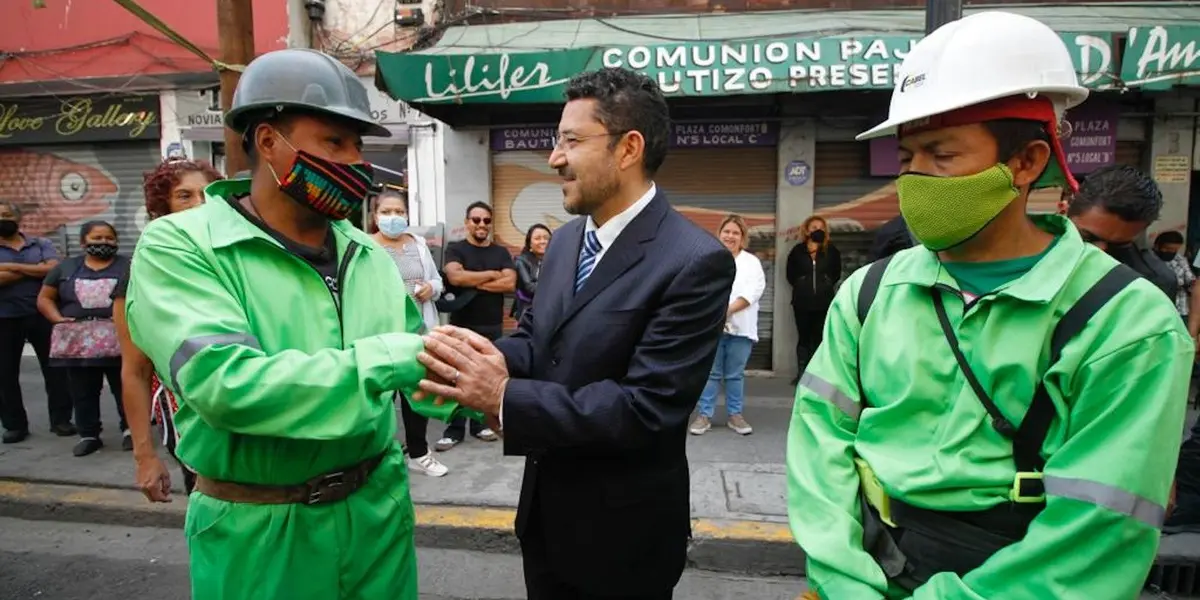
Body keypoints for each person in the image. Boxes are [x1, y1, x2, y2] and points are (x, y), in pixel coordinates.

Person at [788, 12, 1191, 600]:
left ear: (1026, 163)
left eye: (941, 155)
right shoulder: (870, 292)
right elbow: (818, 446)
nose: (916, 178)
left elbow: (1099, 527)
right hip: (869, 568)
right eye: (907, 159)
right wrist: (844, 580)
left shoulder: (1126, 323)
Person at [122, 48, 479, 599]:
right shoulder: (181, 245)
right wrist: (395, 358)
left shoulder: (365, 251)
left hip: (377, 513)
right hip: (260, 528)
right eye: (334, 142)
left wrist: (489, 387)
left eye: (358, 145)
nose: (355, 161)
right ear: (268, 142)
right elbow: (225, 384)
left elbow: (420, 365)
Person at [415, 67, 736, 600]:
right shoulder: (563, 243)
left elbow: (645, 407)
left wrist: (502, 397)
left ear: (628, 148)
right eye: (555, 140)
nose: (554, 158)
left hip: (625, 541)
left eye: (571, 140)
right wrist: (463, 359)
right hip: (544, 520)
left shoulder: (694, 260)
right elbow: (539, 339)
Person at [115, 158, 223, 500]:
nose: (198, 205)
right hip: (189, 421)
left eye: (207, 195)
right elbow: (135, 371)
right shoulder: (140, 275)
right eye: (184, 196)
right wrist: (145, 456)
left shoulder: (239, 260)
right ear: (163, 208)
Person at [369, 190, 449, 478]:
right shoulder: (366, 246)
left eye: (399, 212)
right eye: (386, 212)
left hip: (419, 334)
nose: (393, 217)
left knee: (417, 396)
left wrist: (431, 287)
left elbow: (437, 280)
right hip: (383, 335)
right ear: (375, 216)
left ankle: (419, 453)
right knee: (382, 399)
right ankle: (377, 457)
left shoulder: (417, 244)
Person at [37, 220, 130, 457]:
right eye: (97, 238)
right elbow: (45, 298)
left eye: (109, 238)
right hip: (78, 345)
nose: (103, 243)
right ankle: (89, 434)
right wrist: (56, 318)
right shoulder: (65, 268)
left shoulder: (129, 266)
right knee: (82, 390)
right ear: (83, 242)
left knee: (126, 387)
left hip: (120, 340)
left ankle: (130, 430)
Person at [433, 201, 515, 451]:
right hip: (462, 325)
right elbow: (455, 277)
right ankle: (454, 429)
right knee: (455, 376)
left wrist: (473, 281)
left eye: (486, 220)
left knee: (486, 375)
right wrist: (492, 275)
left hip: (492, 325)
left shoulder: (501, 252)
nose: (481, 225)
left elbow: (510, 284)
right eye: (476, 220)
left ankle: (480, 425)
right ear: (467, 222)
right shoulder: (456, 249)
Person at [0, 201, 74, 443]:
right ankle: (14, 426)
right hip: (5, 318)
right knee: (5, 374)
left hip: (42, 314)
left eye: (8, 213)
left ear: (18, 217)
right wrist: (34, 268)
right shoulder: (38, 251)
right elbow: (43, 270)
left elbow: (54, 269)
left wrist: (9, 267)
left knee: (56, 371)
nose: (4, 218)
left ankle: (61, 420)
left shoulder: (40, 243)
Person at [690, 214, 765, 436]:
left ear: (742, 238)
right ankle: (704, 415)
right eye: (727, 231)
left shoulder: (752, 263)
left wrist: (726, 311)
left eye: (735, 232)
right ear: (719, 233)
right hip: (712, 328)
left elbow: (753, 291)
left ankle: (735, 415)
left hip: (741, 328)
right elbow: (698, 288)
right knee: (710, 374)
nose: (730, 236)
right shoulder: (708, 257)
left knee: (735, 374)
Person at [1065, 164, 1176, 299]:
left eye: (1119, 245)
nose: (1099, 252)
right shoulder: (1036, 259)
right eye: (1087, 237)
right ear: (1064, 209)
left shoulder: (1155, 283)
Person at [786, 216, 841, 378]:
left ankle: (816, 375)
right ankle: (802, 374)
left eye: (821, 227)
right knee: (803, 338)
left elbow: (836, 272)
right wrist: (802, 283)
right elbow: (790, 274)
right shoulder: (798, 251)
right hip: (802, 302)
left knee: (819, 338)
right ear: (807, 230)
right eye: (814, 227)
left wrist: (826, 282)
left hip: (824, 302)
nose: (817, 230)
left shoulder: (831, 251)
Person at [1154, 230, 1195, 325]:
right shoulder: (1148, 260)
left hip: (1180, 308)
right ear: (1157, 246)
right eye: (1168, 249)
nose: (1171, 252)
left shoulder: (1180, 260)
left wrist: (1192, 285)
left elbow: (1190, 279)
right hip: (1157, 308)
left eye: (1175, 250)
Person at [513, 223, 551, 322]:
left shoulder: (558, 260)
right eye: (537, 238)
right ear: (529, 243)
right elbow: (530, 288)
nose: (543, 241)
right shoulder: (521, 261)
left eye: (546, 238)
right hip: (529, 313)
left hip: (551, 311)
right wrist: (555, 285)